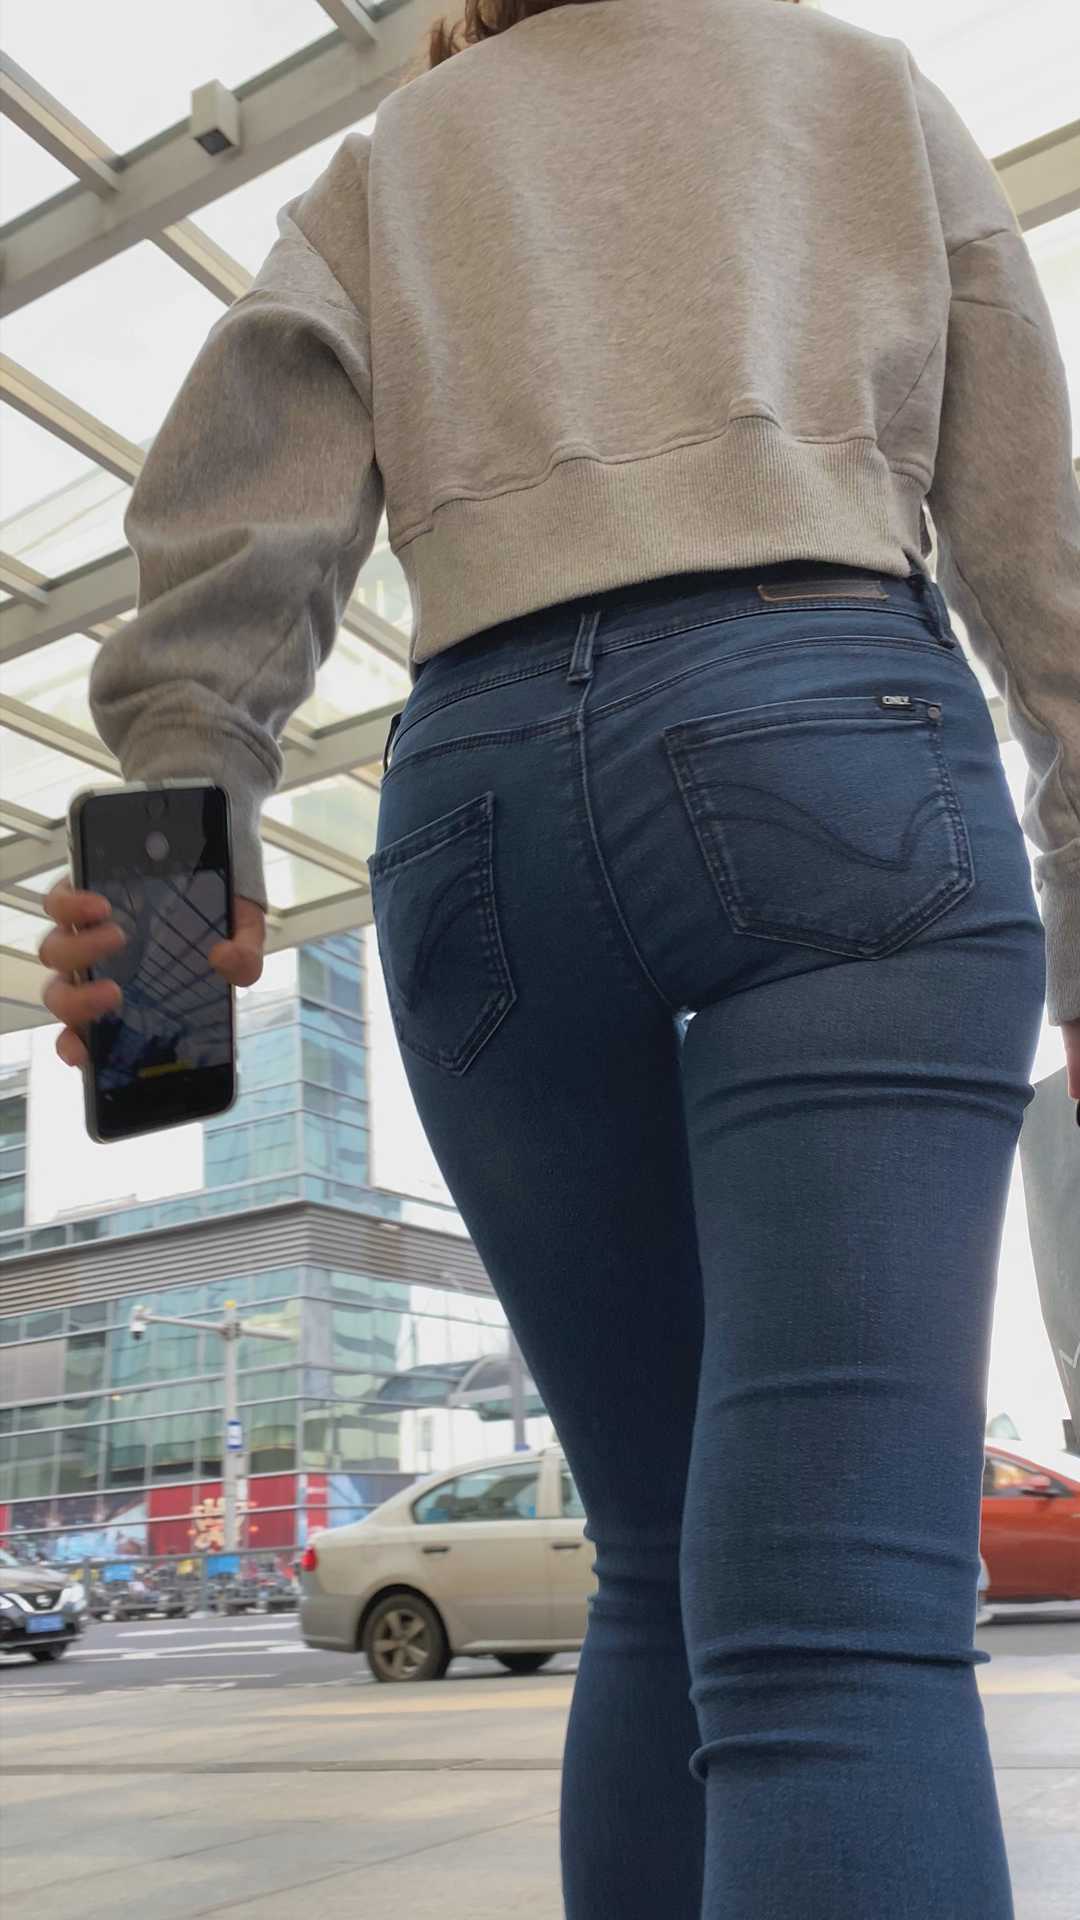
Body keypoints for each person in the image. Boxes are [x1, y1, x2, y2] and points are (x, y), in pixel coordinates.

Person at [37, 2, 1079, 1914]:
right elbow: (1041, 541)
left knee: (657, 1566)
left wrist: (190, 798)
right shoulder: (861, 91)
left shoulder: (392, 169)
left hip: (479, 797)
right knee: (843, 1608)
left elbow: (236, 497)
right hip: (830, 727)